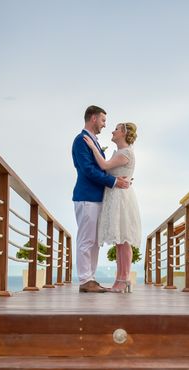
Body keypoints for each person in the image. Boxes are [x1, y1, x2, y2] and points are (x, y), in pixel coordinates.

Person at [72, 106, 130, 293]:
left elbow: (103, 168)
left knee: (95, 241)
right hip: (87, 196)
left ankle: (90, 278)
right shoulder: (81, 140)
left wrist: (120, 178)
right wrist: (114, 181)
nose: (105, 125)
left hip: (97, 198)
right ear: (94, 118)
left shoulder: (93, 141)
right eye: (103, 120)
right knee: (86, 240)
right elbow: (88, 170)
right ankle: (84, 279)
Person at [83, 122, 141, 293]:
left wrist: (94, 147)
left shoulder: (126, 152)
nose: (113, 131)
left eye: (116, 129)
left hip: (121, 198)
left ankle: (123, 279)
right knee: (119, 241)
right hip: (115, 196)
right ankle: (120, 280)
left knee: (123, 240)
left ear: (123, 133)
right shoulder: (121, 153)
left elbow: (105, 166)